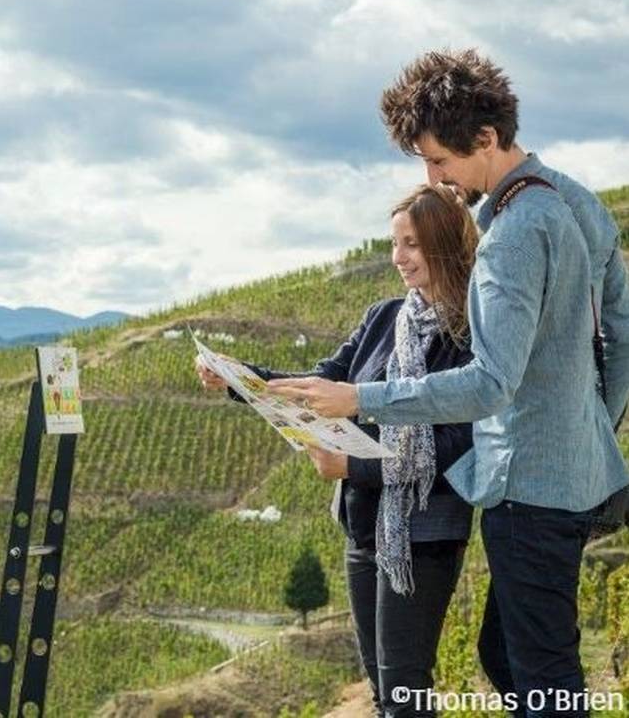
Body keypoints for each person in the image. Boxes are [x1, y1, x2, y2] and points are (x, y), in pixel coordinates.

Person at [275, 49, 629, 717]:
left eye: (439, 161)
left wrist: (361, 398)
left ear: (487, 140)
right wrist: (591, 431)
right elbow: (623, 334)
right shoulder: (578, 203)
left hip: (528, 485)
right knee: (513, 657)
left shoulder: (513, 236)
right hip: (575, 478)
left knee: (542, 676)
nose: (434, 177)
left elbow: (491, 383)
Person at [197, 184, 478, 717]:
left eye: (412, 243)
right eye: (394, 244)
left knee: (404, 693)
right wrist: (239, 379)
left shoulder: (469, 334)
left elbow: (458, 443)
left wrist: (353, 465)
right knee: (382, 689)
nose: (398, 257)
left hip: (423, 535)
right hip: (363, 526)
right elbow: (322, 381)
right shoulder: (383, 319)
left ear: (444, 244)